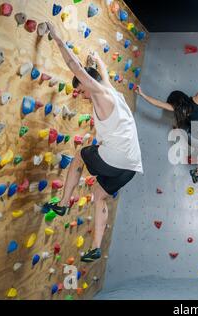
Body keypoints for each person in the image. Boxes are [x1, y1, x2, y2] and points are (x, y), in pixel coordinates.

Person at [42, 22, 143, 263]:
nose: (83, 95)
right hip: (130, 168)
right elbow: (104, 75)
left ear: (89, 84)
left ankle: (64, 203)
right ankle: (96, 247)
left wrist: (57, 37)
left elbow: (74, 66)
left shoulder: (98, 93)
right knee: (99, 195)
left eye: (83, 90)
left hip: (114, 160)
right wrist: (97, 59)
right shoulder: (112, 93)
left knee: (79, 154)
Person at [136, 62, 198, 183]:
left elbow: (158, 104)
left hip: (194, 140)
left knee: (186, 125)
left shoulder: (178, 109)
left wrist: (142, 94)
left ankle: (197, 164)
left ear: (175, 103)